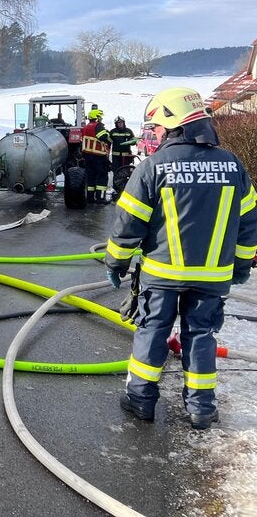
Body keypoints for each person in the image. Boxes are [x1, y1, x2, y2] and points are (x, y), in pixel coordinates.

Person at [106, 87, 257, 429]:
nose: (155, 133)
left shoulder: (153, 168)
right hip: (213, 277)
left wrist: (116, 264)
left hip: (161, 276)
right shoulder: (232, 166)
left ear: (174, 124)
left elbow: (128, 225)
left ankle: (142, 400)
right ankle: (202, 408)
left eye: (157, 126)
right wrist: (242, 266)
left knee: (152, 330)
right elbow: (250, 223)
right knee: (201, 335)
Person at [81, 107, 112, 204]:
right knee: (102, 178)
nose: (101, 119)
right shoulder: (98, 126)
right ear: (97, 117)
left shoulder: (86, 127)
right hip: (99, 157)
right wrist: (107, 133)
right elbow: (102, 136)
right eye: (100, 117)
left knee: (91, 178)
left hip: (88, 156)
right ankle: (100, 198)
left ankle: (90, 199)